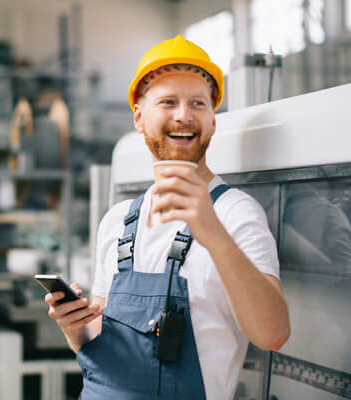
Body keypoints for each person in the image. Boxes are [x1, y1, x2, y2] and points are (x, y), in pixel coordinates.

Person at [45, 36, 290, 400]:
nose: (183, 115)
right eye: (168, 102)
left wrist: (212, 233)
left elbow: (272, 334)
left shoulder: (235, 213)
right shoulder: (117, 221)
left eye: (198, 103)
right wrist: (74, 329)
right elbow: (101, 339)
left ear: (211, 121)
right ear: (140, 118)